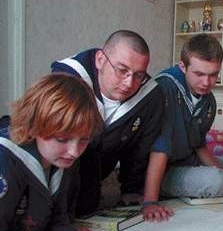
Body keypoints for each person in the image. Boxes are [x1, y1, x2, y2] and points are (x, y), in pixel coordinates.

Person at [0, 74, 139, 231]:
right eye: (62, 139)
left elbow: (53, 225)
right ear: (34, 126)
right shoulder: (6, 163)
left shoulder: (59, 159)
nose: (74, 152)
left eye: (83, 140)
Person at [142, 34, 223, 221]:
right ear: (182, 67)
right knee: (216, 181)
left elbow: (198, 144)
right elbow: (159, 149)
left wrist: (222, 169)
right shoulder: (164, 89)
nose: (206, 83)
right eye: (199, 74)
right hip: (161, 169)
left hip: (189, 161)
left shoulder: (208, 100)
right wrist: (150, 202)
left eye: (213, 74)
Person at [51, 30, 164, 217]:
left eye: (138, 75)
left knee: (89, 205)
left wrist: (132, 188)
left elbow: (141, 147)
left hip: (100, 169)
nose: (129, 83)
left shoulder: (151, 96)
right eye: (122, 70)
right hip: (65, 168)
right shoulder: (68, 79)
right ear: (100, 60)